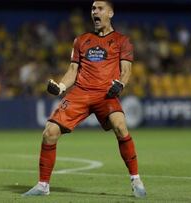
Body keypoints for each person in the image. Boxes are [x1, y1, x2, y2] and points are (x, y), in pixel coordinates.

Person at [23, 0, 146, 198]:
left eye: (99, 8)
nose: (94, 12)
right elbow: (73, 71)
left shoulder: (123, 41)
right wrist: (61, 87)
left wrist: (121, 84)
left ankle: (136, 180)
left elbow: (126, 70)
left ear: (111, 13)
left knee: (120, 126)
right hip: (80, 92)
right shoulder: (81, 40)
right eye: (93, 9)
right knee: (49, 133)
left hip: (105, 94)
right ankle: (43, 185)